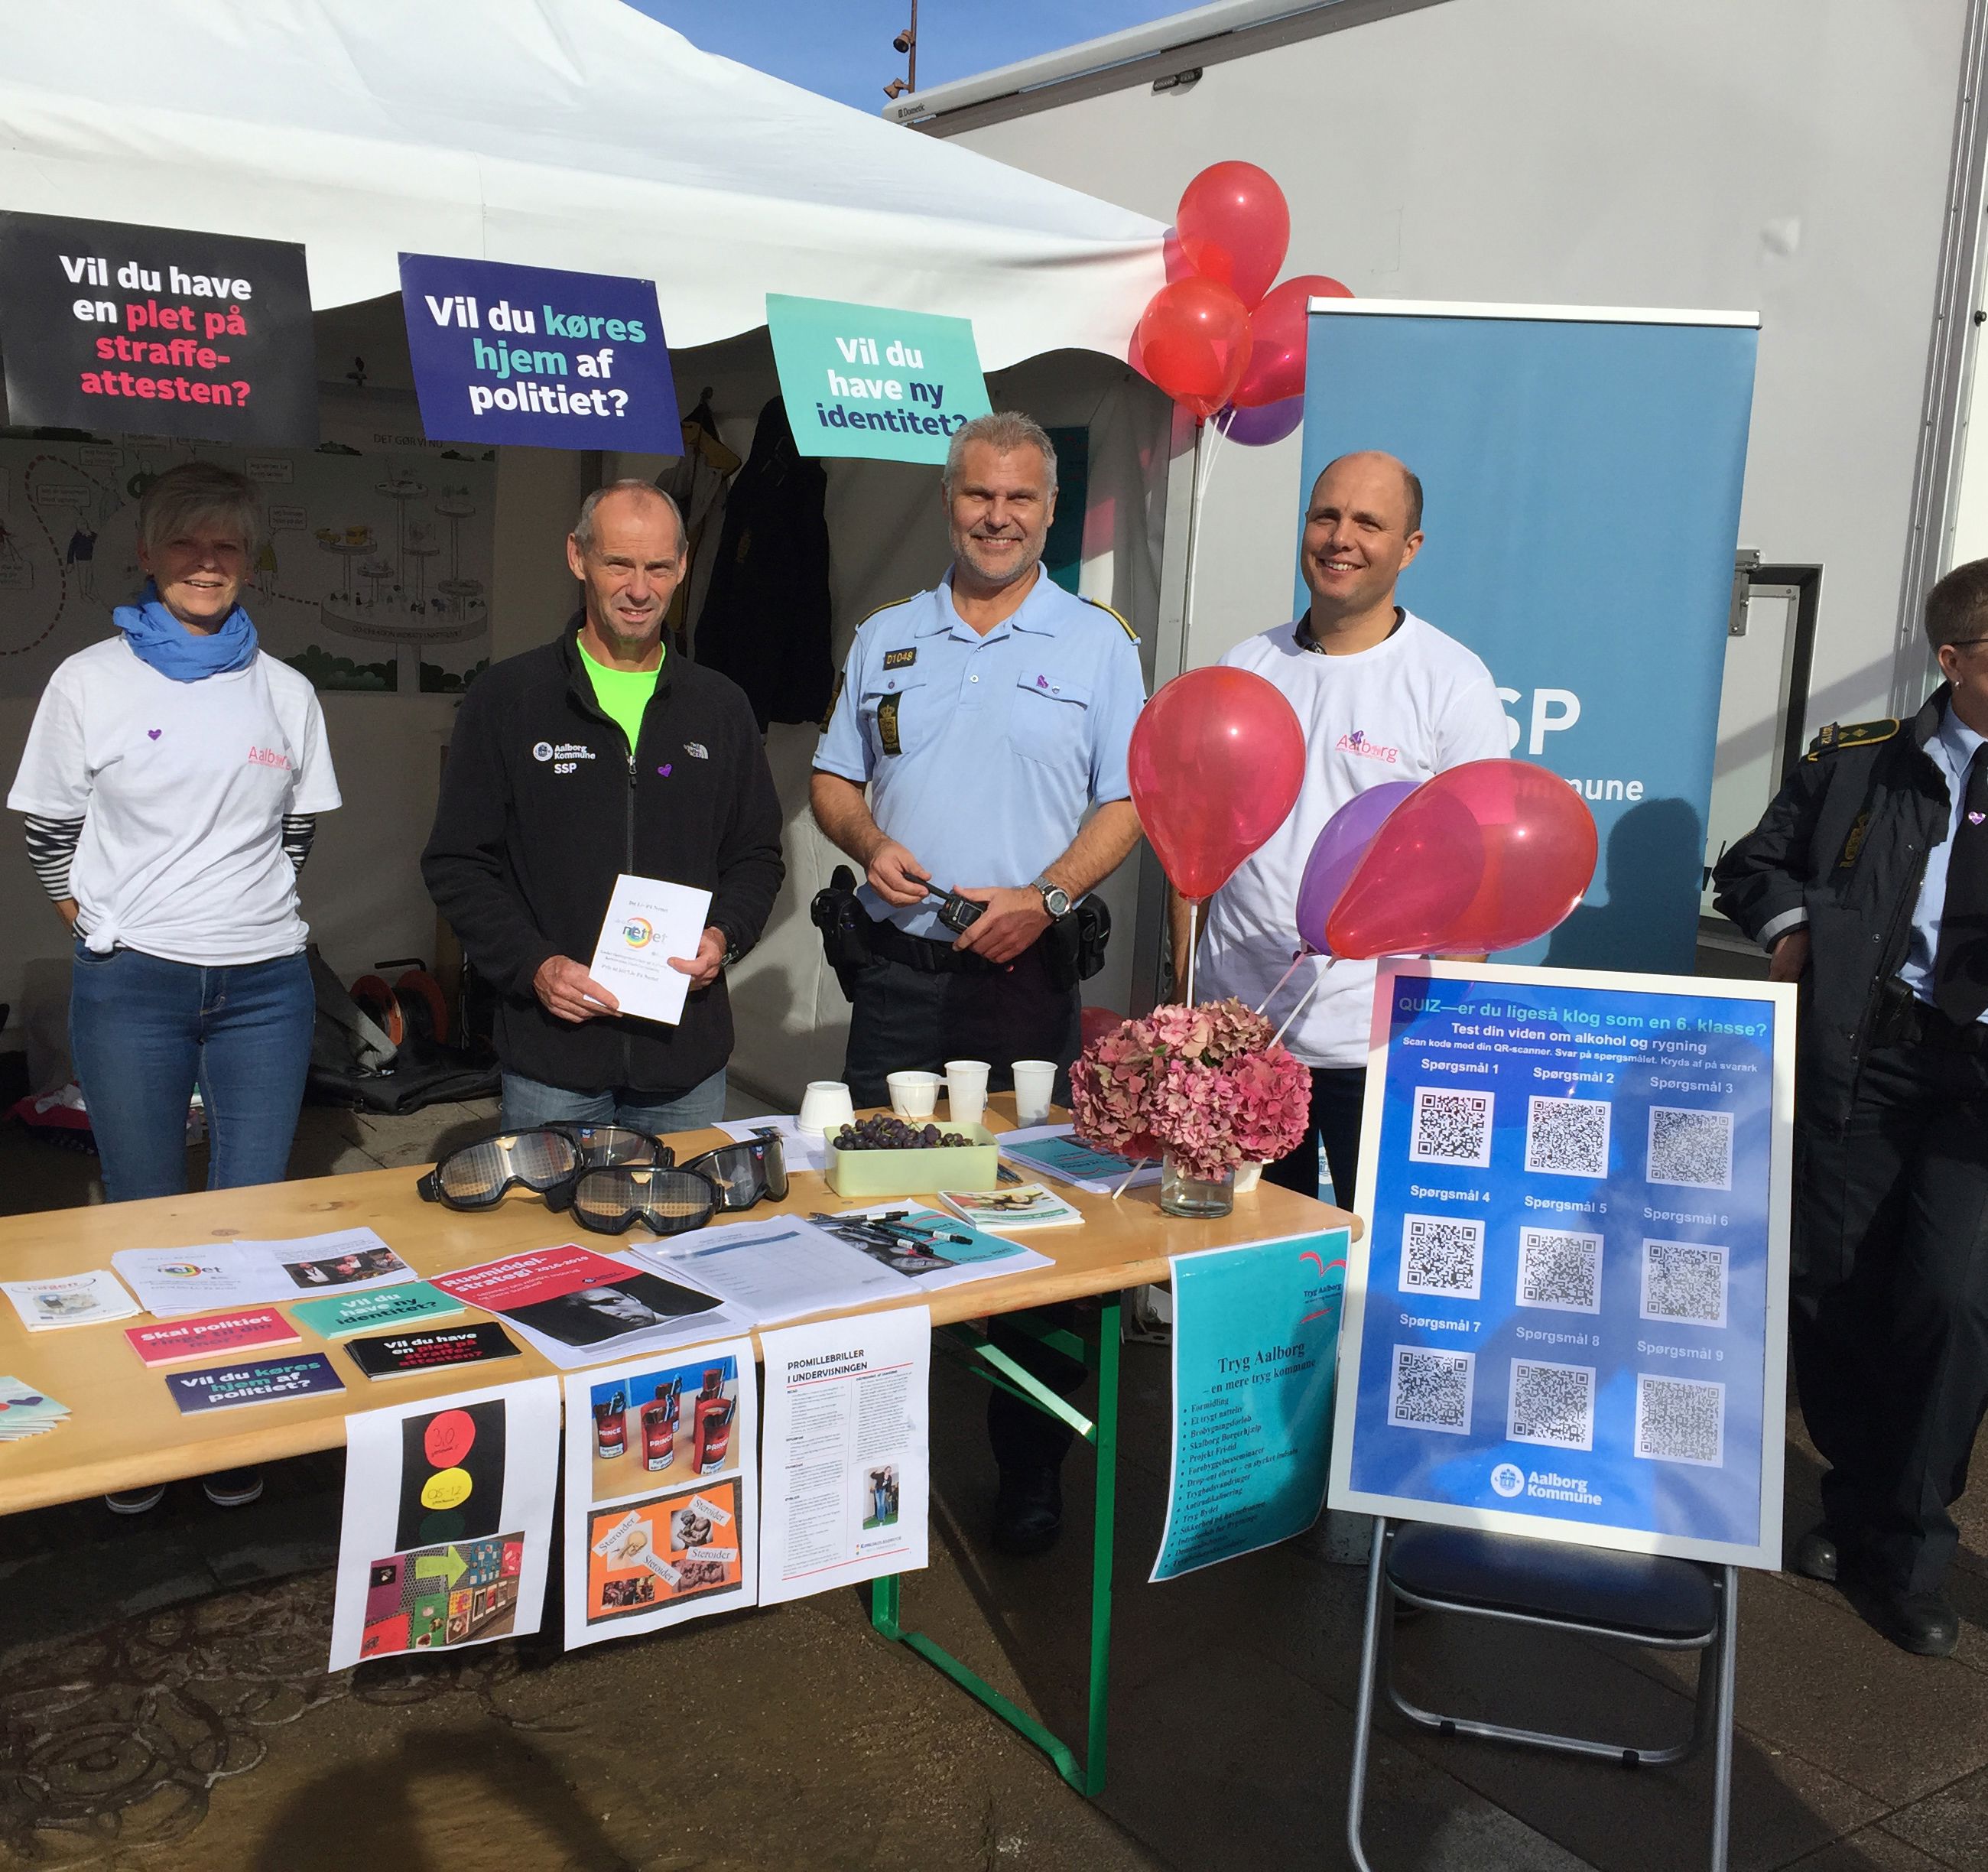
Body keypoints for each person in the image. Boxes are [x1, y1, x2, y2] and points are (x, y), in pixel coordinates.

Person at [810, 410, 1147, 1555]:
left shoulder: (1099, 644)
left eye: (1019, 499)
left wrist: (1046, 896)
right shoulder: (886, 635)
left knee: (1038, 1230)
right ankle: (863, 1472)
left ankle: (1029, 1472)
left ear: (1050, 512)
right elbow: (833, 779)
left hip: (1024, 988)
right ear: (949, 500)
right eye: (977, 495)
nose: (996, 517)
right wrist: (865, 840)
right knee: (874, 1218)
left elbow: (1128, 802)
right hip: (897, 981)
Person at [8, 460, 341, 1516]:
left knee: (246, 1218)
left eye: (226, 545)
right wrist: (99, 924)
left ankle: (232, 1417)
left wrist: (233, 918)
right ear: (148, 555)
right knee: (145, 1211)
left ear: (250, 560)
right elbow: (49, 829)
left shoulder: (285, 691)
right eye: (186, 544)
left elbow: (295, 832)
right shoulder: (89, 681)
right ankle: (153, 1425)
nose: (207, 563)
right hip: (132, 988)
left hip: (267, 988)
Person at [1712, 555, 1988, 1658]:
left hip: (1977, 1086)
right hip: (1866, 1061)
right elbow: (1752, 866)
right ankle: (1855, 1499)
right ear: (1954, 660)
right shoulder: (1860, 762)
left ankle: (1912, 1548)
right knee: (1834, 1288)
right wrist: (1793, 935)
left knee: (1950, 1302)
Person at [1178, 451, 1510, 1204]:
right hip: (1241, 1037)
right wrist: (1194, 1004)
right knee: (1252, 1255)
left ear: (1409, 548)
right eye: (1325, 516)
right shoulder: (1246, 665)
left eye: (1368, 523)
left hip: (1378, 1049)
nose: (1340, 538)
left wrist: (1439, 1051)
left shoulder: (1451, 683)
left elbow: (1480, 882)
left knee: (1376, 1258)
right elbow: (1195, 845)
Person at [422, 480, 782, 1134]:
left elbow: (756, 855)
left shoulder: (721, 706)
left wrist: (723, 936)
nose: (639, 589)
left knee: (681, 1208)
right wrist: (534, 967)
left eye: (658, 567)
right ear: (577, 557)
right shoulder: (509, 699)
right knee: (555, 1208)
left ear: (683, 567)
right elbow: (458, 863)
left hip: (684, 1061)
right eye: (619, 564)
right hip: (553, 1059)